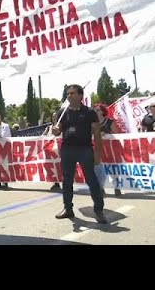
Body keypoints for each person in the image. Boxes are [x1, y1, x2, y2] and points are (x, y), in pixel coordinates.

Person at [52, 84, 107, 224]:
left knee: (91, 180)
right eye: (68, 93)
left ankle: (99, 211)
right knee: (67, 181)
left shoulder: (89, 112)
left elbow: (96, 133)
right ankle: (68, 209)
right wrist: (55, 130)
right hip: (67, 150)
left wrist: (97, 153)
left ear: (81, 96)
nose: (69, 96)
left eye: (72, 93)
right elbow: (57, 131)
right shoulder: (62, 112)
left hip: (84, 149)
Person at [94, 103, 121, 196]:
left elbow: (116, 133)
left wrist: (106, 134)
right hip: (98, 148)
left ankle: (117, 187)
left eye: (97, 110)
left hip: (110, 148)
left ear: (102, 111)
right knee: (100, 169)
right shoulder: (93, 123)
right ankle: (101, 188)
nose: (95, 111)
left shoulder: (109, 121)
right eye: (94, 110)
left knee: (113, 168)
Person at [43, 112, 62, 191]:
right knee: (52, 167)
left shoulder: (61, 127)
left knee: (60, 167)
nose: (54, 117)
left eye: (56, 116)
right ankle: (55, 183)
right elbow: (43, 137)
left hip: (59, 150)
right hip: (50, 151)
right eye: (53, 116)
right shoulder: (48, 128)